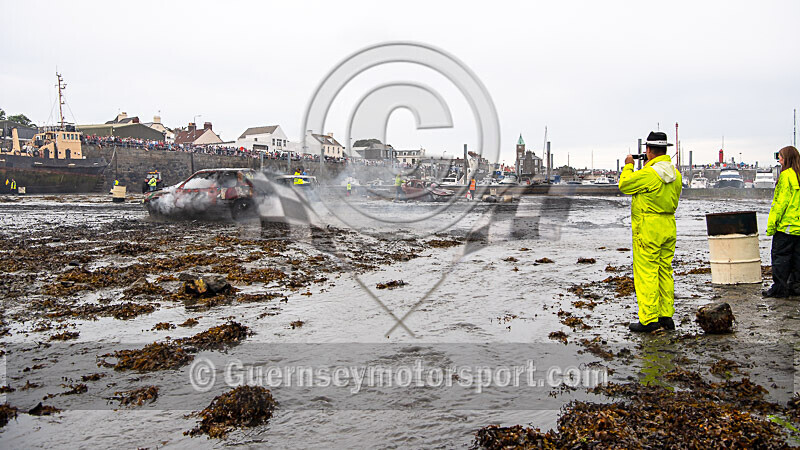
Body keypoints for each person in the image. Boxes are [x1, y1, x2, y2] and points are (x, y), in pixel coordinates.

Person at [619, 131, 682, 332]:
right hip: (668, 224)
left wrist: (629, 165)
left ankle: (648, 320)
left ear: (648, 151)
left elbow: (625, 184)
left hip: (648, 228)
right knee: (665, 271)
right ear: (665, 150)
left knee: (646, 273)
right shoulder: (676, 174)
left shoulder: (649, 174)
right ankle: (666, 316)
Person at [763, 146, 800, 298]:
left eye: (781, 157)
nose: (779, 160)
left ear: (787, 159)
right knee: (797, 259)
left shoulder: (786, 176)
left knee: (780, 257)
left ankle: (780, 288)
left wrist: (772, 226)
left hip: (786, 226)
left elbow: (780, 204)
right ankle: (796, 287)